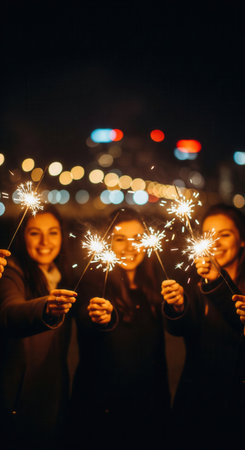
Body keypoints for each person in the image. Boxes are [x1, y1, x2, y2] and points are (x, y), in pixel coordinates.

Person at [69, 208, 171, 450]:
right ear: (107, 242)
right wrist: (103, 318)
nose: (129, 248)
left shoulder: (155, 280)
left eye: (137, 239)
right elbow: (88, 316)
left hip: (149, 403)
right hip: (102, 408)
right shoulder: (93, 282)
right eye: (120, 239)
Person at [161, 203, 245, 449]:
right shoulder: (196, 283)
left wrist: (217, 281)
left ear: (242, 239)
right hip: (196, 400)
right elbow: (180, 330)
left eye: (225, 234)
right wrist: (176, 308)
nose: (215, 242)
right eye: (209, 235)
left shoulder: (215, 283)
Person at [0, 206, 77, 450]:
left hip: (52, 395)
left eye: (53, 232)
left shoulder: (61, 274)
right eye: (35, 233)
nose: (45, 241)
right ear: (21, 235)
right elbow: (10, 313)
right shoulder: (10, 271)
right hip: (18, 401)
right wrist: (47, 307)